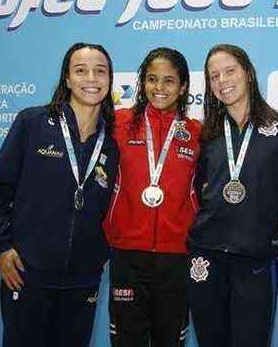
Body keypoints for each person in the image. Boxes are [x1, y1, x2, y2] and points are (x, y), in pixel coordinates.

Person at [0, 43, 120, 347]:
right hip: (28, 274)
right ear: (67, 79)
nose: (91, 78)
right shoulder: (32, 123)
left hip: (83, 280)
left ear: (110, 79)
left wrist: (99, 257)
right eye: (80, 70)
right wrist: (1, 247)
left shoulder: (111, 143)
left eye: (100, 71)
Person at [186, 44, 278, 347]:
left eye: (230, 71)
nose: (222, 80)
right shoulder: (206, 132)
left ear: (248, 73)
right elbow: (197, 191)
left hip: (255, 257)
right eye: (214, 76)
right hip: (206, 255)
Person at [104, 47, 202, 347]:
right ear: (142, 82)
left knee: (169, 340)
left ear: (183, 86)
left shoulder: (197, 132)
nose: (159, 88)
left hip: (176, 257)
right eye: (152, 79)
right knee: (127, 341)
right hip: (127, 254)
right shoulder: (118, 124)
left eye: (169, 81)